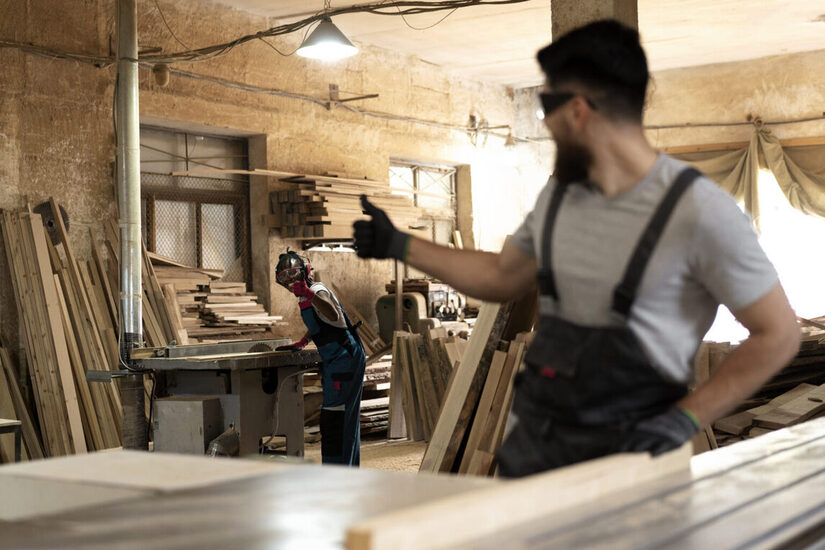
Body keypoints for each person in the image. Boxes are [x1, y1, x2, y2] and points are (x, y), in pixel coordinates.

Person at [352, 20, 800, 477]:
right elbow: (503, 276)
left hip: (634, 463)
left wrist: (687, 416)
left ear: (579, 110)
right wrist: (400, 243)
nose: (544, 121)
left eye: (548, 104)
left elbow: (778, 333)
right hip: (536, 442)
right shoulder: (561, 198)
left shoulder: (697, 210)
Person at [275, 249, 366, 466]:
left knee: (335, 419)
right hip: (337, 360)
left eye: (294, 274)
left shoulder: (316, 291)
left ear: (305, 272)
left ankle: (337, 474)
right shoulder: (307, 296)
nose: (290, 280)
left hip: (345, 360)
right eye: (285, 277)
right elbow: (323, 321)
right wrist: (305, 340)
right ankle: (348, 471)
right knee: (345, 419)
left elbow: (333, 314)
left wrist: (309, 293)